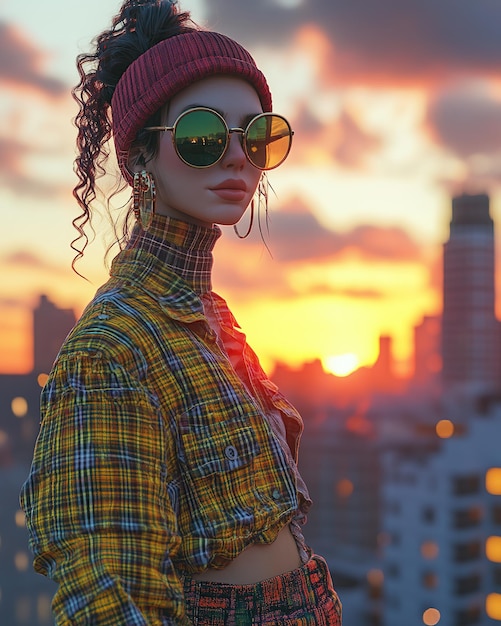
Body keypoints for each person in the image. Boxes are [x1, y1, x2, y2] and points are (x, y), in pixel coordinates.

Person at [20, 1, 342, 624]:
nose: (235, 157)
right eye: (201, 135)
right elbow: (108, 600)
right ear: (141, 156)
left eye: (257, 136)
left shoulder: (212, 324)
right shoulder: (110, 351)